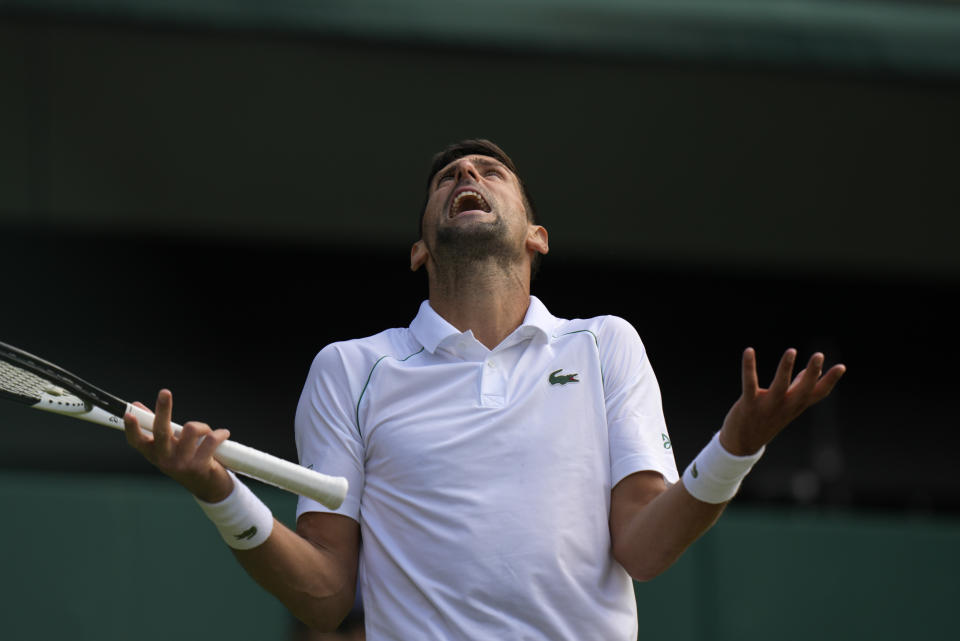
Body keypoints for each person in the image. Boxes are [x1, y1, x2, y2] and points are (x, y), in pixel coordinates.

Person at [124, 139, 846, 640]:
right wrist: (221, 493)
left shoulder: (605, 345)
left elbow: (646, 546)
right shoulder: (350, 369)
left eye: (489, 170)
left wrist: (736, 446)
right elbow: (324, 593)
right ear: (419, 250)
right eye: (447, 178)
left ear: (536, 235)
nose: (466, 171)